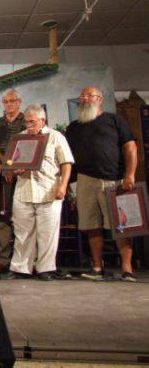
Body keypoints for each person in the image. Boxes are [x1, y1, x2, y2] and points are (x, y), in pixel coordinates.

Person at [66, 86, 138, 282]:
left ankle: (127, 267)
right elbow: (67, 158)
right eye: (82, 96)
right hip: (85, 180)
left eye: (90, 95)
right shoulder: (73, 127)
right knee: (92, 225)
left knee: (120, 225)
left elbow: (130, 147)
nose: (85, 99)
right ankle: (97, 267)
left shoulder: (114, 120)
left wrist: (130, 174)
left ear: (100, 99)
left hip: (113, 179)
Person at [6, 104, 73, 281]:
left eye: (32, 122)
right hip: (23, 191)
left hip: (48, 190)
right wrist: (15, 169)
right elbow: (11, 163)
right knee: (22, 233)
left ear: (43, 120)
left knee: (48, 233)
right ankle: (21, 268)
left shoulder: (56, 137)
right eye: (26, 122)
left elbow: (66, 163)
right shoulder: (19, 138)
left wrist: (63, 186)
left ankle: (46, 269)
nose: (28, 125)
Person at [0, 88, 26, 274]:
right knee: (3, 218)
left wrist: (15, 168)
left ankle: (24, 261)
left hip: (25, 176)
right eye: (6, 101)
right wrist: (5, 168)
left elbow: (31, 147)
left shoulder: (27, 121)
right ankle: (3, 260)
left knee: (23, 218)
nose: (9, 104)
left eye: (13, 101)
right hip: (3, 177)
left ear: (19, 102)